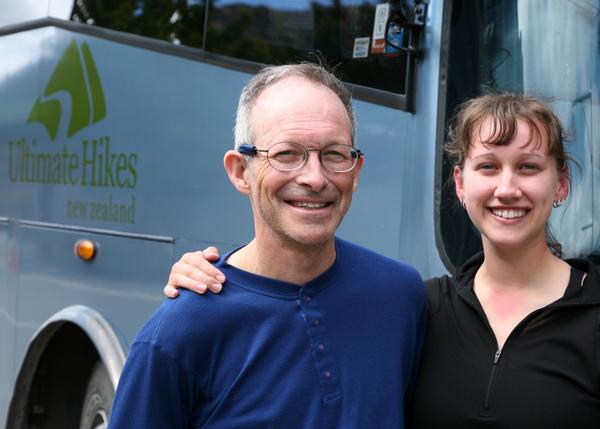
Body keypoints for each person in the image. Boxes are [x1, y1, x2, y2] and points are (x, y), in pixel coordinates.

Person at [164, 93, 600, 428]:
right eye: (488, 166)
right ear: (460, 183)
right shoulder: (416, 307)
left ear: (560, 184)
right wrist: (218, 281)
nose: (507, 188)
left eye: (528, 167)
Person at [109, 63, 427, 428]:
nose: (313, 177)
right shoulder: (180, 331)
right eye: (287, 154)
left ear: (355, 171)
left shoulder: (400, 295)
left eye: (335, 154)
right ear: (241, 172)